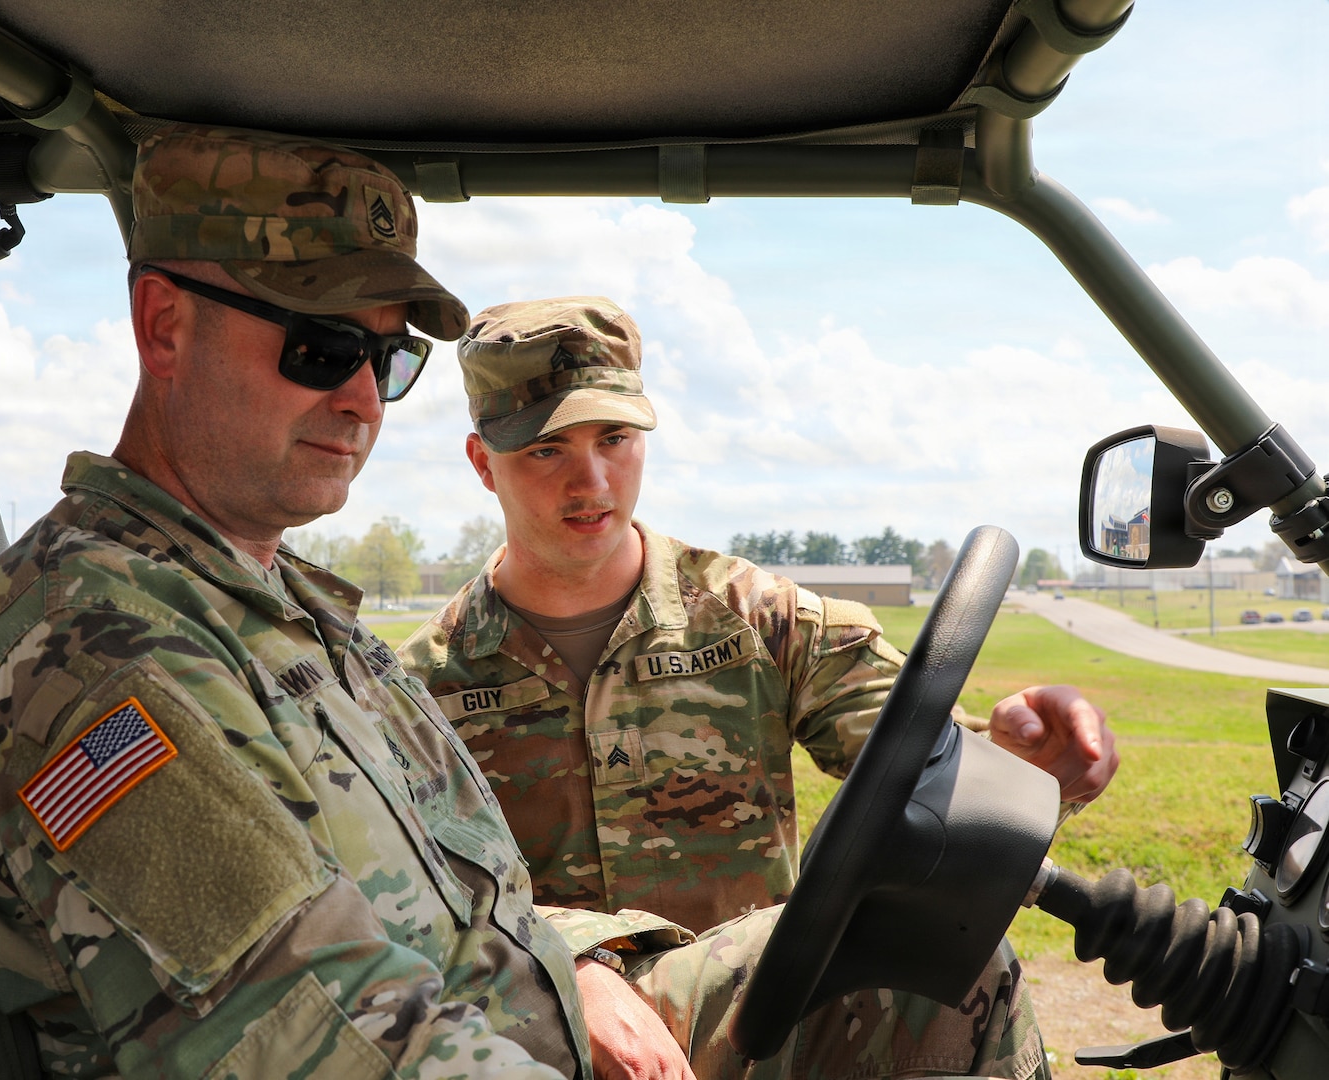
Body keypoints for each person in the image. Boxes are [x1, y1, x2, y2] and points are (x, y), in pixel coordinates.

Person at [0, 128, 1045, 1080]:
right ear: (162, 324)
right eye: (323, 345)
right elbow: (306, 1039)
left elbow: (467, 901)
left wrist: (577, 967)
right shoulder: (85, 659)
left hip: (528, 1019)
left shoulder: (276, 608)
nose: (361, 403)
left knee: (927, 960)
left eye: (386, 362)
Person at [399, 295, 1121, 1073]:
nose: (593, 480)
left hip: (757, 1026)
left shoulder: (758, 618)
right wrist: (570, 960)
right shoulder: (418, 685)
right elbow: (405, 901)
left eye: (615, 438)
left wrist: (1018, 761)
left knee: (948, 961)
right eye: (546, 450)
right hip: (532, 1031)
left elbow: (914, 759)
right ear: (483, 463)